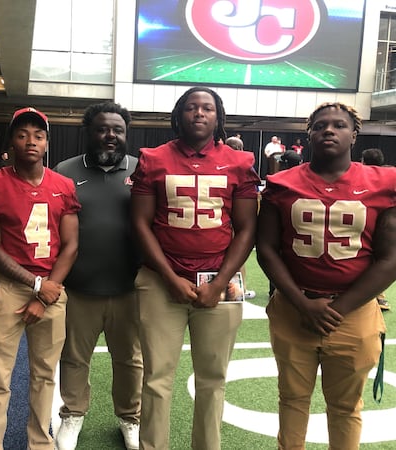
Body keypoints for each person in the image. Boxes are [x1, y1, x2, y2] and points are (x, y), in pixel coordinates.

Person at [257, 102, 396, 449]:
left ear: (354, 134)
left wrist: (340, 307)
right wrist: (304, 305)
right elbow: (267, 249)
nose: (329, 130)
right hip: (294, 307)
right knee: (292, 399)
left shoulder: (383, 183)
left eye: (338, 125)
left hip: (353, 311)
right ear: (309, 134)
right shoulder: (281, 183)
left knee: (346, 406)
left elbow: (391, 257)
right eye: (320, 126)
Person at [130, 86, 260, 450]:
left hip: (219, 279)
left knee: (213, 378)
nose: (199, 114)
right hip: (160, 279)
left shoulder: (239, 162)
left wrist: (220, 282)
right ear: (179, 115)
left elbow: (247, 227)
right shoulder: (153, 159)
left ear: (218, 117)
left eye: (207, 108)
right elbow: (140, 223)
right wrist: (170, 278)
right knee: (157, 377)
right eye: (191, 107)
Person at [0, 107, 80, 450]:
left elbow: (71, 245)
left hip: (52, 288)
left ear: (47, 142)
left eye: (38, 135)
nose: (30, 141)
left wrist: (44, 293)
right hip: (11, 289)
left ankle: (39, 442)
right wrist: (37, 287)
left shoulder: (63, 185)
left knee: (44, 375)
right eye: (22, 134)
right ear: (11, 142)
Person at [53, 102, 142, 450]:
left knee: (129, 359)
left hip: (129, 287)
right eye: (103, 129)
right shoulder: (65, 170)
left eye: (117, 130)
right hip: (79, 287)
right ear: (89, 133)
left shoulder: (142, 169)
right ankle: (72, 416)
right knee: (74, 357)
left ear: (125, 134)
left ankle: (130, 418)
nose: (110, 136)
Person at [224, 135, 257, 300]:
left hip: (220, 222)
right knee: (239, 256)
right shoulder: (245, 167)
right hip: (235, 222)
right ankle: (239, 289)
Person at [361, 147, 391, 311]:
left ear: (363, 161)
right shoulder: (390, 176)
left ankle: (376, 296)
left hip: (371, 227)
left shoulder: (362, 179)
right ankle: (379, 297)